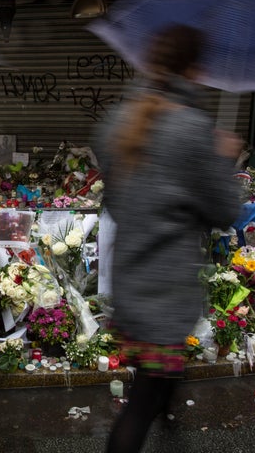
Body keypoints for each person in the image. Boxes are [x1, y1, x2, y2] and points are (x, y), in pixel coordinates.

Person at [92, 24, 243, 452]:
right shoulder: (193, 130)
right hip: (164, 294)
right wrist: (223, 159)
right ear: (194, 69)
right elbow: (224, 213)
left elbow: (119, 205)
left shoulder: (118, 122)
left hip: (131, 285)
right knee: (141, 404)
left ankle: (171, 425)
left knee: (155, 381)